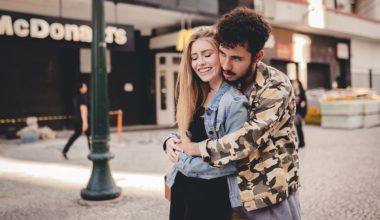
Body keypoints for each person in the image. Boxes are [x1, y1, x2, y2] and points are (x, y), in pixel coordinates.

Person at [169, 7, 301, 220]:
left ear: (257, 56)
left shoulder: (275, 85)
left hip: (266, 190)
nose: (226, 65)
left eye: (236, 59)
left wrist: (193, 149)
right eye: (222, 54)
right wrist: (172, 141)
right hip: (232, 192)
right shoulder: (225, 81)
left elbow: (248, 138)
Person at [164, 27, 249, 220]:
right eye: (194, 57)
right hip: (183, 189)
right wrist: (170, 141)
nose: (199, 63)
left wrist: (184, 162)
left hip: (211, 196)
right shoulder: (197, 93)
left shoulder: (234, 102)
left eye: (207, 54)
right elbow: (189, 136)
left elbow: (235, 161)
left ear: (221, 55)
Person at [62, 82, 90, 159]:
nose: (86, 87)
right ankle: (92, 152)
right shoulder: (83, 97)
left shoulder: (76, 97)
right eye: (85, 86)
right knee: (88, 135)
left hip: (77, 118)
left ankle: (65, 150)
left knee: (79, 135)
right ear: (81, 88)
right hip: (82, 119)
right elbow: (83, 109)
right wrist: (85, 122)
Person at [292, 79, 307, 148]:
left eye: (296, 83)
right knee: (298, 128)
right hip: (295, 111)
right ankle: (301, 142)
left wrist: (302, 103)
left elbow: (304, 102)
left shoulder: (302, 92)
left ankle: (302, 142)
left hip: (300, 112)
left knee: (299, 127)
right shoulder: (293, 92)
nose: (295, 85)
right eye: (294, 83)